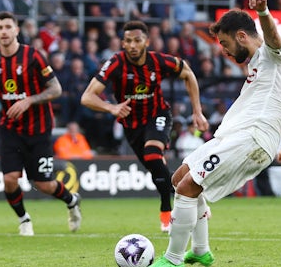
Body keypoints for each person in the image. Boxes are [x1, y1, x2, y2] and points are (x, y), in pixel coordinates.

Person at [144, 0, 281, 267]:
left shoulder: (276, 53)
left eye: (226, 44)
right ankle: (201, 251)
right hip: (234, 136)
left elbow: (274, 38)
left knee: (188, 187)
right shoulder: (263, 67)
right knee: (180, 176)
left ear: (242, 36)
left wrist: (263, 12)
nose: (224, 52)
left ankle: (173, 259)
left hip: (251, 138)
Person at [81, 20, 209, 232]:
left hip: (157, 114)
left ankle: (167, 210)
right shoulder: (115, 63)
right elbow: (87, 97)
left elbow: (188, 73)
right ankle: (193, 196)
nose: (133, 45)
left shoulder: (158, 61)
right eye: (128, 41)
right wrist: (111, 108)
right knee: (154, 167)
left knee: (152, 154)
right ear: (122, 43)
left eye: (137, 40)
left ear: (146, 42)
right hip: (131, 125)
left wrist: (197, 111)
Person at [0, 11, 82, 236]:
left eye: (8, 27)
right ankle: (24, 219)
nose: (4, 31)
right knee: (9, 179)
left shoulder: (33, 56)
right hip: (10, 129)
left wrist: (29, 100)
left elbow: (56, 89)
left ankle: (71, 201)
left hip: (38, 129)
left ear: (17, 30)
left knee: (44, 184)